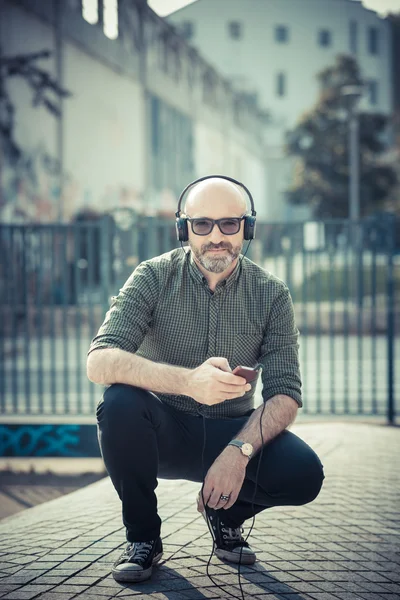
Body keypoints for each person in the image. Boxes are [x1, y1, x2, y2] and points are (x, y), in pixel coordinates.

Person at [87, 176, 325, 584]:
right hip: (165, 431)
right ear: (184, 229)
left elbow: (286, 394)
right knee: (120, 403)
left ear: (246, 228)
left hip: (232, 430)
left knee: (305, 474)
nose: (216, 236)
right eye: (202, 225)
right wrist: (187, 382)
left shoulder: (272, 294)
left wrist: (239, 452)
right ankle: (143, 538)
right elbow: (99, 361)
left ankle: (224, 512)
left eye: (229, 224)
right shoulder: (151, 277)